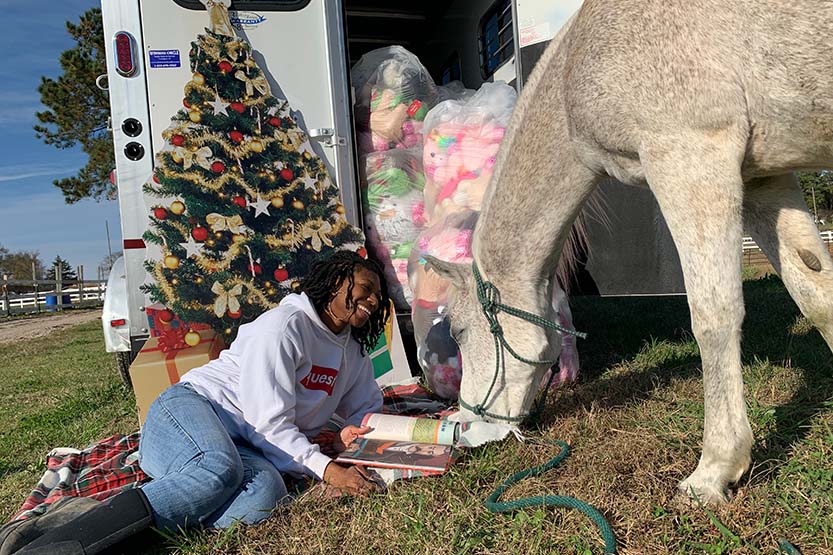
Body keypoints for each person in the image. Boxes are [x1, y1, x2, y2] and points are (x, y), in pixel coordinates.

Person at [16, 250, 391, 555]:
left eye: (378, 294)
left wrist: (361, 430)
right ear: (335, 281)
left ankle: (114, 527)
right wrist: (327, 470)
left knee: (264, 498)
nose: (373, 300)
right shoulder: (284, 327)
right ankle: (58, 542)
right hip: (191, 408)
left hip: (247, 443)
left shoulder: (351, 348)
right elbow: (270, 424)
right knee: (217, 469)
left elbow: (364, 406)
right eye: (365, 288)